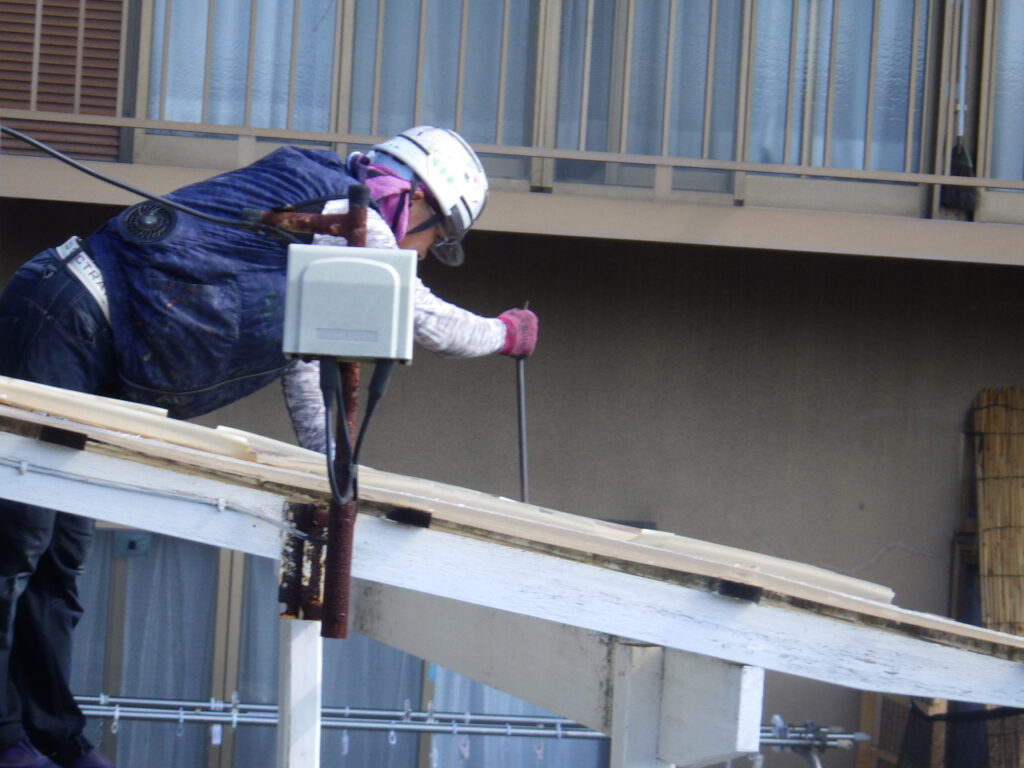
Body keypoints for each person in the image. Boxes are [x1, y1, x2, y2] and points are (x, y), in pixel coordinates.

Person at [0, 125, 538, 768]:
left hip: (91, 345)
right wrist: (505, 333)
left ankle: (53, 738)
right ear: (415, 199)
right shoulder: (344, 206)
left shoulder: (317, 237)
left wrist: (327, 469)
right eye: (436, 238)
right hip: (66, 316)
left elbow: (299, 366)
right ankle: (6, 738)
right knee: (16, 542)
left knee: (60, 560)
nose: (421, 255)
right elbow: (424, 317)